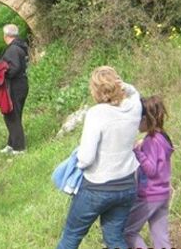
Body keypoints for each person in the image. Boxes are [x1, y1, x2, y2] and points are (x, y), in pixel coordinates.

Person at [56, 66, 141, 249]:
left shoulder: (96, 114)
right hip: (126, 184)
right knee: (114, 238)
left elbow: (86, 158)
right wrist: (123, 86)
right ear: (118, 84)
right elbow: (135, 93)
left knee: (71, 236)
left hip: (97, 187)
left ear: (95, 90)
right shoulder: (134, 108)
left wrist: (76, 161)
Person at [124, 95, 174, 249]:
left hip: (150, 195)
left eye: (138, 119)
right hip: (163, 193)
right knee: (160, 236)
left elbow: (151, 170)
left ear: (145, 119)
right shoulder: (163, 137)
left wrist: (138, 152)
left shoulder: (151, 140)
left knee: (127, 231)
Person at [0, 24, 29, 154]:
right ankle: (11, 144)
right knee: (15, 114)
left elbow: (14, 67)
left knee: (12, 115)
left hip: (15, 85)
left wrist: (3, 74)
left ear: (6, 36)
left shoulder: (12, 49)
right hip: (22, 83)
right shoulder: (20, 46)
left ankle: (19, 147)